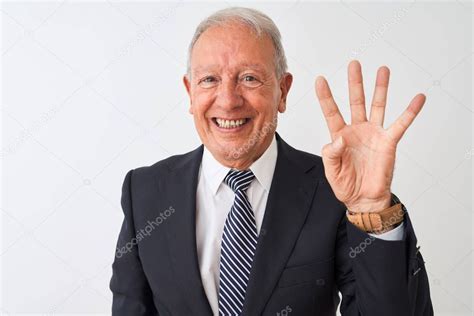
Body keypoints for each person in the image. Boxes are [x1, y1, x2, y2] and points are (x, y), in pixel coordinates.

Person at [110, 7, 433, 316]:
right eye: (209, 79)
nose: (228, 100)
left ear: (283, 90)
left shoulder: (334, 190)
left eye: (249, 78)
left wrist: (371, 208)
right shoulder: (146, 192)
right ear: (190, 92)